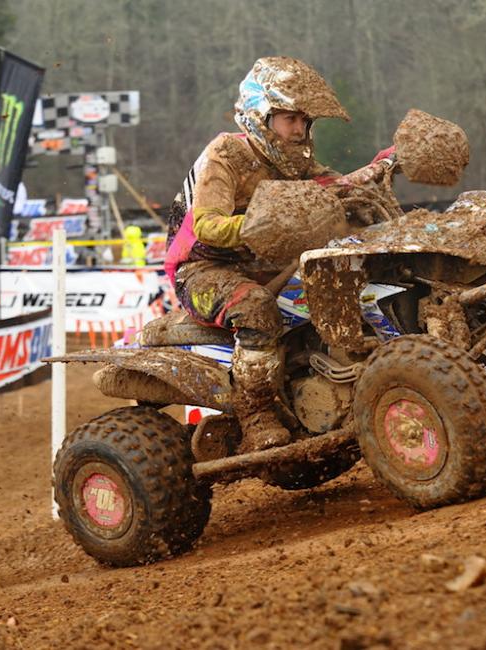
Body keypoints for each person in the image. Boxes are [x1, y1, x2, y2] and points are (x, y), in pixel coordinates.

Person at [164, 57, 373, 454]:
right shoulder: (226, 155)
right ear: (262, 115)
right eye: (289, 119)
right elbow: (207, 224)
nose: (299, 130)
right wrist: (261, 226)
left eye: (304, 121)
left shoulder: (296, 163)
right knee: (257, 307)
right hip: (205, 269)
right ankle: (256, 413)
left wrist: (374, 173)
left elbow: (333, 188)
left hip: (268, 261)